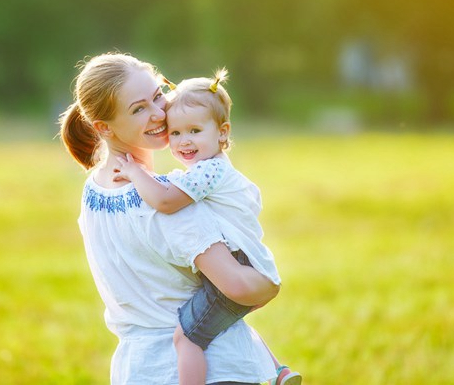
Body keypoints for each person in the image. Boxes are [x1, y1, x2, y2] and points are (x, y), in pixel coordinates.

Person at [59, 52, 281, 385]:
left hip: (137, 370)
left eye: (158, 96)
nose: (160, 112)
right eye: (139, 109)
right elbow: (237, 285)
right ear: (103, 127)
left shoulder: (92, 193)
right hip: (210, 368)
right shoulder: (170, 200)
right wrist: (269, 284)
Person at [113, 69, 301, 385]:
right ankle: (279, 372)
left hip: (236, 266)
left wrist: (135, 173)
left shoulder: (208, 173)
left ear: (222, 132)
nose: (184, 141)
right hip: (243, 263)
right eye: (175, 133)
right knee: (219, 321)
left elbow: (165, 201)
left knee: (187, 337)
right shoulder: (212, 171)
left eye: (195, 130)